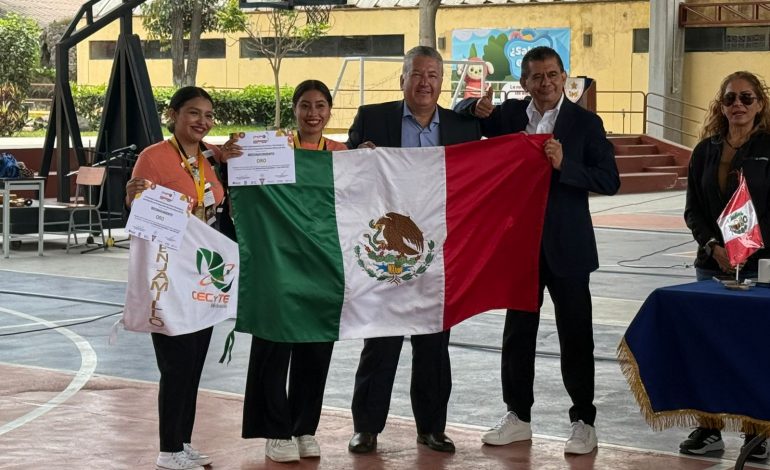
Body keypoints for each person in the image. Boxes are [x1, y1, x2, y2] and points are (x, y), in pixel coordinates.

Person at [454, 46, 620, 454]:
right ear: (524, 82)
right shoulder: (509, 117)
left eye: (552, 75)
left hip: (568, 246)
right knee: (518, 334)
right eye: (536, 77)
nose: (545, 83)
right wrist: (472, 104)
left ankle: (583, 419)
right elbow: (457, 115)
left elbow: (610, 180)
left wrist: (567, 166)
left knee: (576, 334)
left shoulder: (585, 123)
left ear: (565, 78)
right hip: (519, 245)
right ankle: (518, 416)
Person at [346, 45, 481, 455]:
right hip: (386, 254)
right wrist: (359, 158)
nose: (425, 83)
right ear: (402, 79)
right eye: (417, 74)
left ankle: (432, 428)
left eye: (433, 76)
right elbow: (347, 177)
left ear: (442, 81)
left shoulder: (463, 127)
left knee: (434, 345)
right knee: (381, 341)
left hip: (440, 253)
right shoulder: (374, 118)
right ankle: (366, 428)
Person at [126, 86, 239, 470]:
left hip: (202, 273)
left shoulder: (209, 156)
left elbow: (234, 168)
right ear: (172, 115)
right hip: (168, 274)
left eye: (208, 115)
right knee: (175, 365)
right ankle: (167, 450)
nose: (202, 122)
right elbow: (135, 203)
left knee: (193, 364)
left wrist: (239, 147)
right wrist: (132, 194)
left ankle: (183, 441)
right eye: (193, 113)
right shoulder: (154, 156)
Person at [237, 80, 347, 463]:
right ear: (295, 110)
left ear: (330, 111)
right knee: (274, 344)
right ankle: (275, 430)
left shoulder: (343, 155)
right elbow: (237, 179)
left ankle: (304, 427)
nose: (312, 113)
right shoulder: (273, 150)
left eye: (320, 105)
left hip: (324, 266)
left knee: (316, 350)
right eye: (304, 105)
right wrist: (230, 153)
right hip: (278, 263)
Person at [681, 70, 770, 459]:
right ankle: (709, 429)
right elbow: (693, 210)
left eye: (746, 98)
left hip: (760, 263)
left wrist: (751, 245)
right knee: (708, 346)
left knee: (754, 347)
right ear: (721, 105)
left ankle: (758, 434)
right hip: (713, 263)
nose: (738, 105)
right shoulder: (705, 150)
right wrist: (713, 244)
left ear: (760, 105)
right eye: (730, 98)